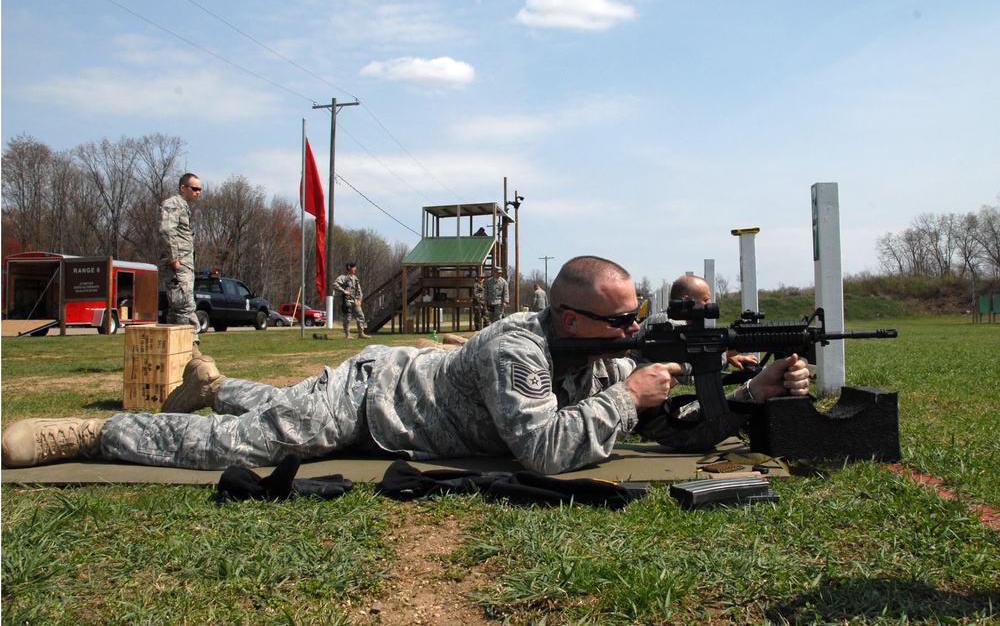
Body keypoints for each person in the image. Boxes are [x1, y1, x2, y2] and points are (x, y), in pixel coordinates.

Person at [0, 256, 810, 475]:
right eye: (625, 319)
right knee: (251, 445)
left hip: (402, 392)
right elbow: (545, 449)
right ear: (572, 317)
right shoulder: (516, 347)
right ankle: (96, 431)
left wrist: (752, 389)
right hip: (373, 400)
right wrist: (629, 394)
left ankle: (217, 385)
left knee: (268, 403)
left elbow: (654, 426)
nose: (637, 330)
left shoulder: (597, 347)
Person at [668, 274, 759, 371]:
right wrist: (725, 354)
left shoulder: (684, 323)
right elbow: (688, 373)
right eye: (706, 299)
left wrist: (727, 357)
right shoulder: (671, 324)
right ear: (687, 300)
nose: (710, 303)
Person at [158, 173, 202, 346]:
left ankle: (175, 354)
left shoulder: (183, 207)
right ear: (183, 188)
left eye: (200, 189)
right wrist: (173, 259)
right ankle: (193, 351)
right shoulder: (173, 204)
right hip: (178, 266)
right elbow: (166, 231)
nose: (198, 192)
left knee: (175, 312)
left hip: (183, 266)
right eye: (194, 188)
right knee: (185, 307)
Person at [333, 262, 369, 339]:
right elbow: (335, 284)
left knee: (360, 315)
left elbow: (359, 290)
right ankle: (347, 334)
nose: (355, 269)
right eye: (354, 267)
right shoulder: (343, 278)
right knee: (347, 317)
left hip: (354, 300)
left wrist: (359, 299)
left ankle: (361, 333)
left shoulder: (355, 279)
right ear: (349, 268)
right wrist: (343, 291)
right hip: (347, 300)